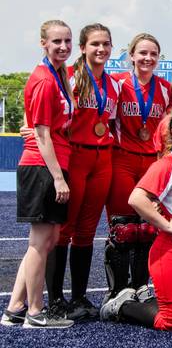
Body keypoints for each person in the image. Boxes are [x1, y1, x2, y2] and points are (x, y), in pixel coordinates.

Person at [100, 106, 172, 330]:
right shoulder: (167, 164)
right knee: (171, 322)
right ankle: (123, 305)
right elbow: (136, 198)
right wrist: (167, 224)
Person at [1, 20, 75, 329]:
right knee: (40, 242)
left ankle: (15, 307)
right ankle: (35, 311)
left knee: (46, 240)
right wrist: (58, 178)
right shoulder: (45, 80)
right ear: (43, 43)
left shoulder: (57, 76)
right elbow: (43, 135)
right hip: (42, 167)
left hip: (48, 164)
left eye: (67, 41)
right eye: (56, 41)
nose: (63, 46)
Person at [45, 23, 118, 321]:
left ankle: (78, 296)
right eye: (95, 44)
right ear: (83, 48)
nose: (101, 49)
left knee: (88, 232)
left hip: (103, 160)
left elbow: (112, 123)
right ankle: (55, 300)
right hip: (76, 156)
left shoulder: (114, 85)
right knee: (65, 230)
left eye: (106, 44)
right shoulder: (71, 79)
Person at [105, 33, 172, 303]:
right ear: (131, 55)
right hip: (123, 158)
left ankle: (141, 286)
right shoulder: (118, 84)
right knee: (123, 227)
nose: (147, 58)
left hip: (152, 161)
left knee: (146, 226)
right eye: (142, 53)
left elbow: (170, 127)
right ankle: (118, 290)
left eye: (153, 54)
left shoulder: (166, 88)